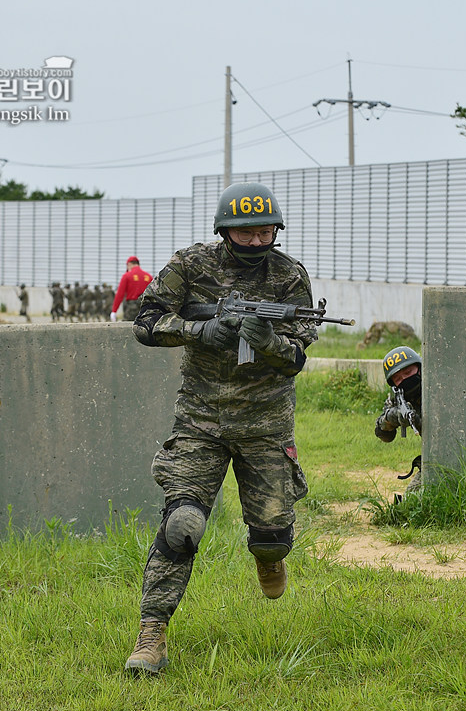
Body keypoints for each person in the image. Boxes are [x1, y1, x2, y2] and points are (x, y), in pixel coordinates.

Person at [125, 182, 318, 674]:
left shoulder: (289, 276)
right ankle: (152, 635)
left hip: (266, 424)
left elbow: (295, 356)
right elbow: (145, 320)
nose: (256, 241)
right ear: (223, 230)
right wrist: (199, 331)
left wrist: (269, 340)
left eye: (265, 231)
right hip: (200, 420)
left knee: (272, 536)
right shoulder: (190, 266)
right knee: (182, 525)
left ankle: (269, 553)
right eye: (245, 232)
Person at [374, 346, 422, 495]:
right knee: (411, 503)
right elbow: (384, 435)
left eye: (408, 373)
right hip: (434, 458)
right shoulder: (399, 398)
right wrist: (393, 417)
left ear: (419, 368)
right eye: (399, 379)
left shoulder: (438, 386)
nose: (405, 380)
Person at [110, 257, 152, 322]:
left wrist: (114, 311)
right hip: (146, 308)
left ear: (129, 264)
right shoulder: (148, 277)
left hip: (131, 308)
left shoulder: (127, 276)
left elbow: (120, 295)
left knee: (128, 328)